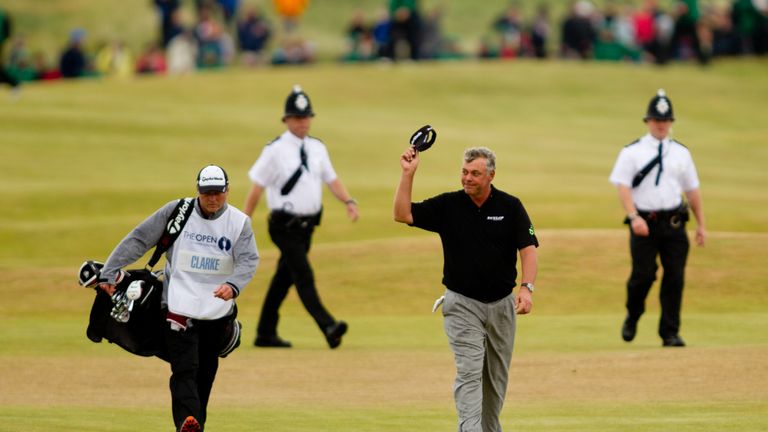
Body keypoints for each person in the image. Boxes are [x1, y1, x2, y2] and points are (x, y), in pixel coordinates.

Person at [98, 165, 260, 432]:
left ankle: (194, 424)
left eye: (218, 192)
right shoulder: (177, 212)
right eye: (207, 192)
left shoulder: (239, 222)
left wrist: (233, 285)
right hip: (178, 305)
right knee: (185, 369)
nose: (212, 198)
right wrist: (109, 271)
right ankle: (187, 422)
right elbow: (139, 239)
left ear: (227, 191)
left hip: (217, 310)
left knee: (206, 373)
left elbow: (248, 260)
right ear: (198, 190)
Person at [394, 145, 539, 431]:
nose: (467, 178)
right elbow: (402, 214)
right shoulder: (449, 205)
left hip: (501, 305)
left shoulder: (510, 206)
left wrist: (527, 288)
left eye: (475, 173)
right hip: (461, 304)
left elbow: (528, 248)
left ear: (491, 175)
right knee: (469, 371)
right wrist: (407, 174)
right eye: (464, 171)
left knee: (495, 379)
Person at [244, 85, 359, 349]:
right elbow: (257, 188)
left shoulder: (317, 148)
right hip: (283, 226)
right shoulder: (274, 150)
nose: (303, 122)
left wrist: (348, 201)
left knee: (283, 279)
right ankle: (328, 326)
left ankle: (265, 332)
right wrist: (242, 221)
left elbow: (332, 179)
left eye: (307, 117)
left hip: (307, 228)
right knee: (303, 275)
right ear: (286, 120)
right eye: (297, 117)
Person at [609, 89, 706, 347]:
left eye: (665, 121)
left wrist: (701, 224)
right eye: (656, 120)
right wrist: (633, 216)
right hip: (644, 223)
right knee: (643, 275)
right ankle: (634, 313)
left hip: (674, 223)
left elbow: (692, 189)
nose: (661, 125)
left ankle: (670, 332)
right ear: (648, 122)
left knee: (675, 277)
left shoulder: (681, 153)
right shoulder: (632, 152)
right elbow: (623, 186)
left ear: (671, 123)